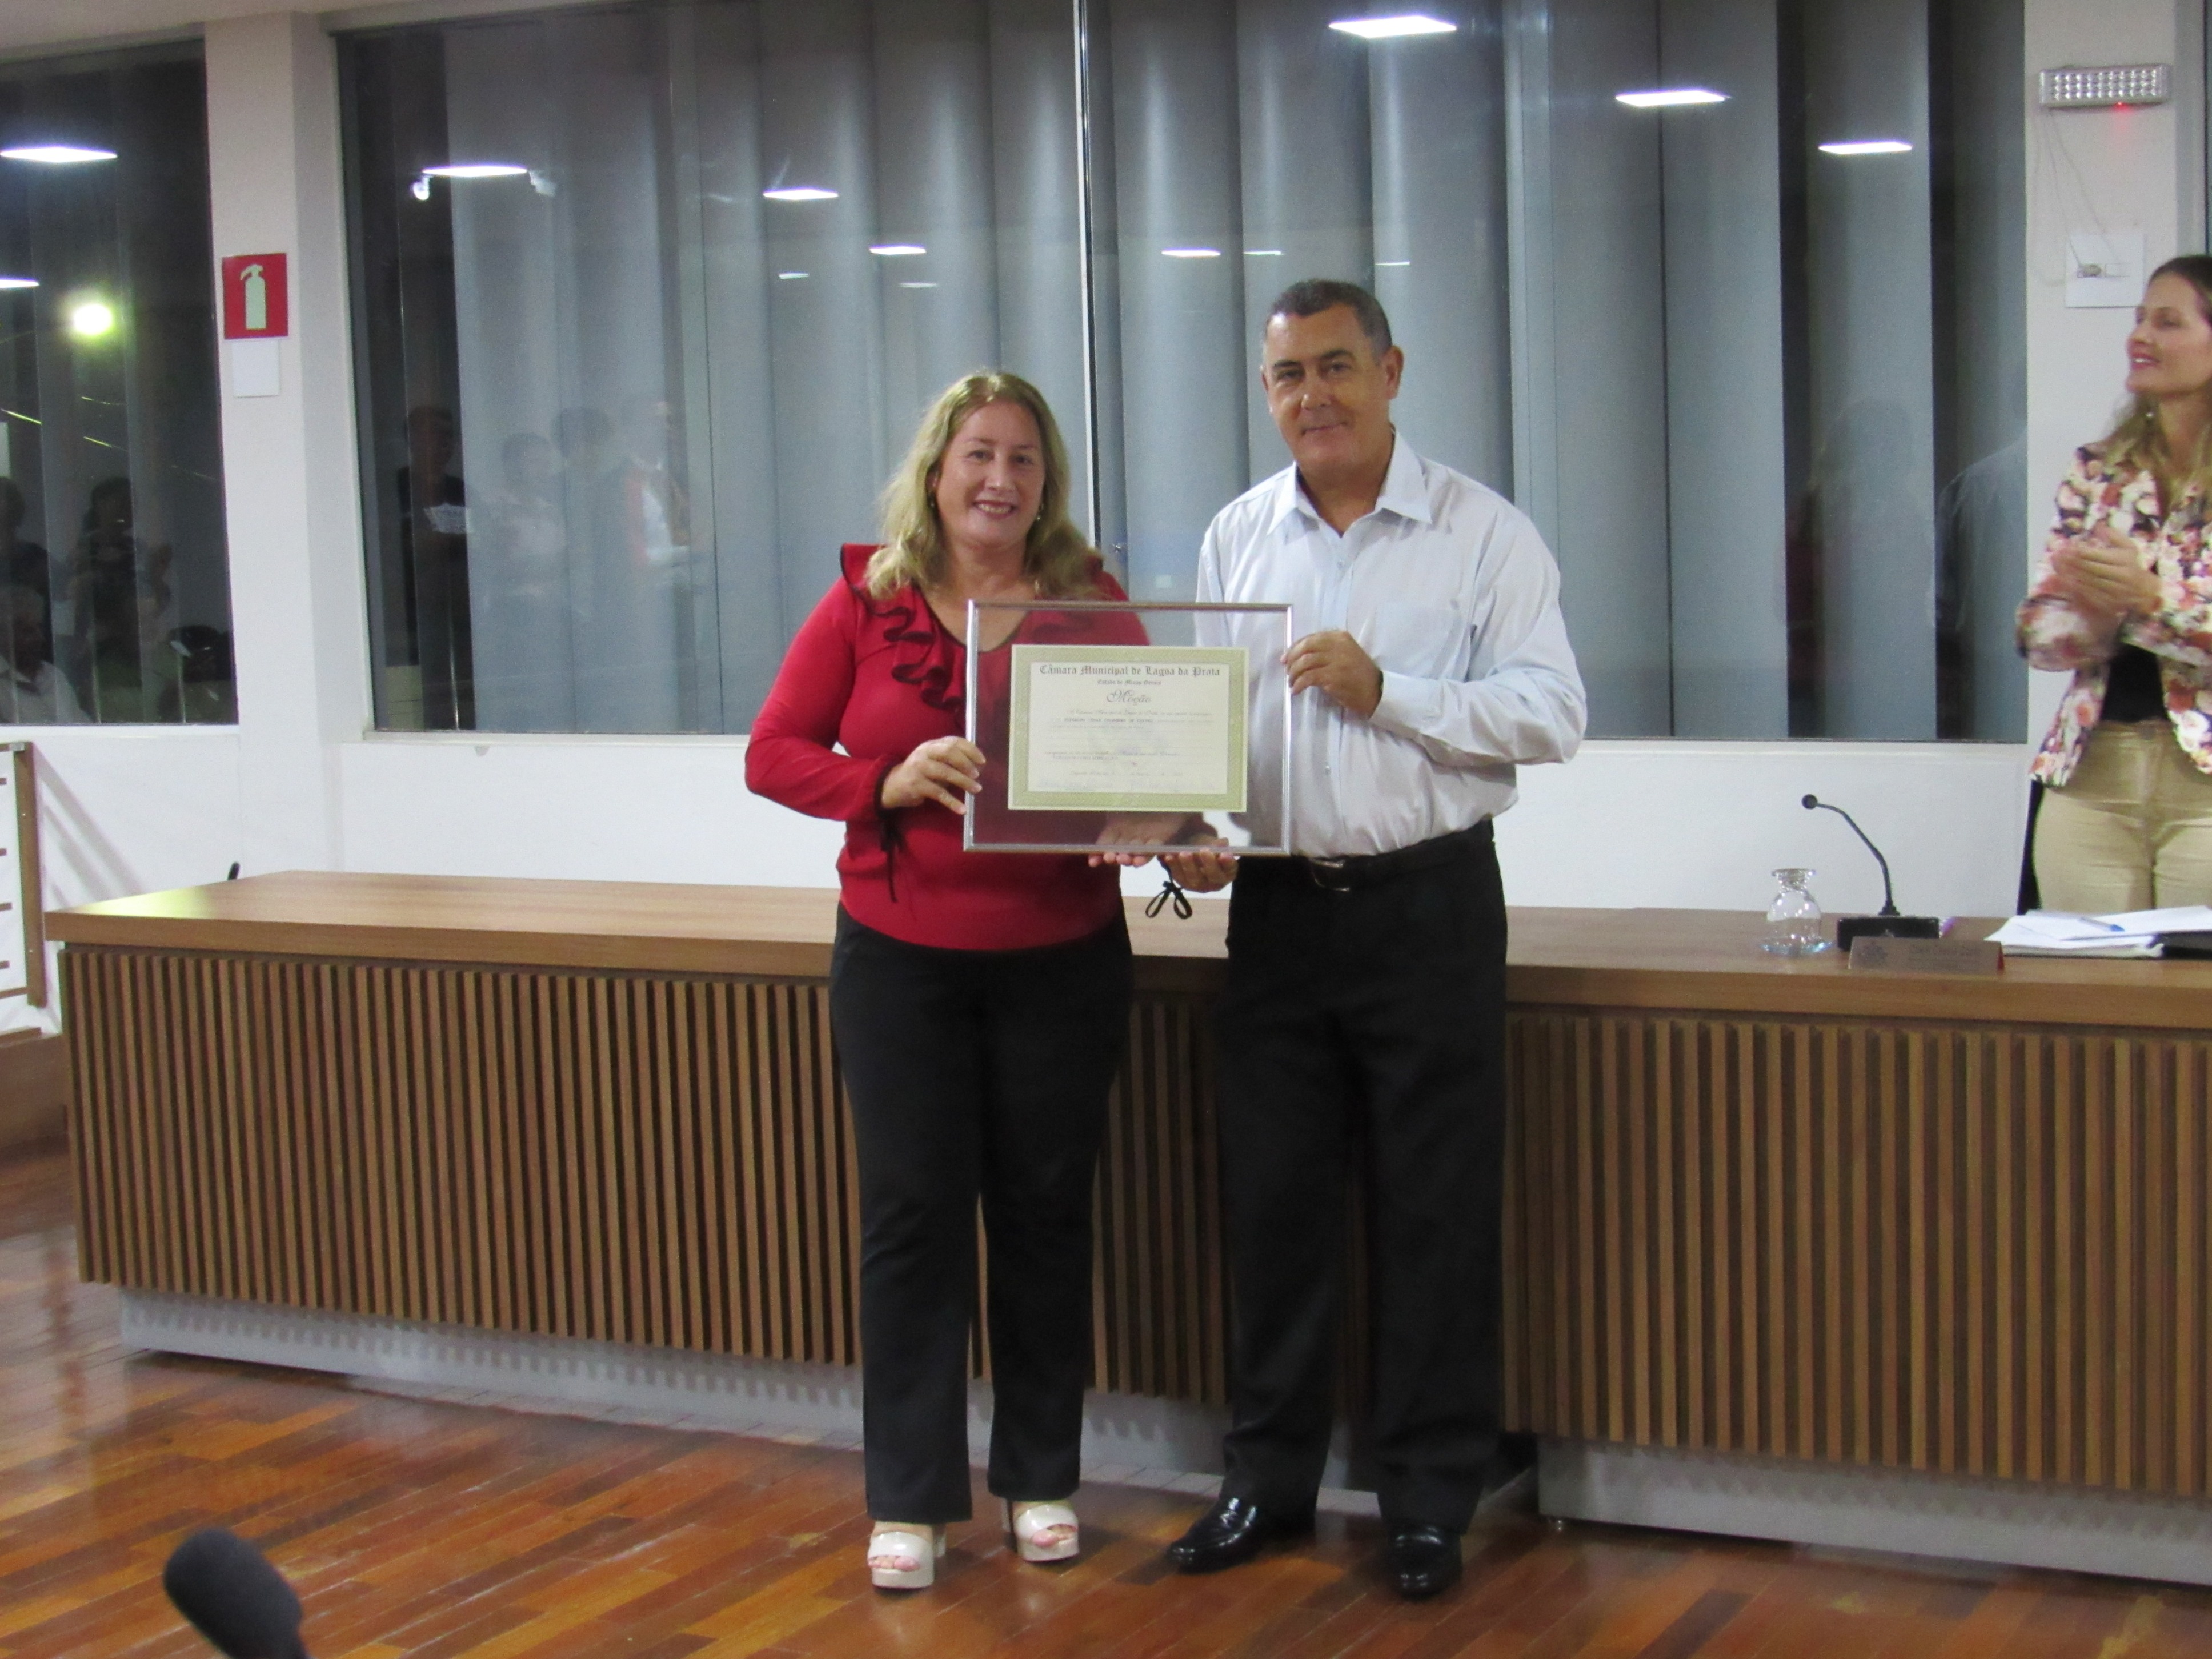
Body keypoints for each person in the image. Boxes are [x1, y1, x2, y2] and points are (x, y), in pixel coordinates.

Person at [1160, 280, 1585, 1600]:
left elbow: (1552, 713)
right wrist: (1187, 824)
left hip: (1427, 906)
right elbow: (1209, 728)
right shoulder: (1238, 535)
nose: (1314, 397)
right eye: (1289, 375)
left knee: (1433, 1211)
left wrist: (1388, 690)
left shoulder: (1482, 533)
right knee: (1273, 1206)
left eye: (1337, 367)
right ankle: (1265, 1482)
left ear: (1391, 372)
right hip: (1278, 911)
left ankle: (1426, 1499)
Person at [746, 371, 1145, 1591]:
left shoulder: (1092, 601)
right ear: (935, 471)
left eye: (1023, 458)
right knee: (912, 1223)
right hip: (900, 962)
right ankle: (910, 1500)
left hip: (1061, 960)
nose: (999, 479)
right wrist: (882, 780)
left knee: (1044, 1218)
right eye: (978, 454)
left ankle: (1040, 1480)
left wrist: (1151, 823)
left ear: (1047, 480)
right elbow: (772, 753)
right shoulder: (866, 599)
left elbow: (1151, 764)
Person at [2020, 254, 2212, 914]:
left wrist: (2148, 600)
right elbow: (2038, 638)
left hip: (2203, 786)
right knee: (2081, 974)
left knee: (2192, 976)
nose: (2140, 337)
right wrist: (2087, 617)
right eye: (2138, 320)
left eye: (2167, 322)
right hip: (2092, 771)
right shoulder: (2098, 471)